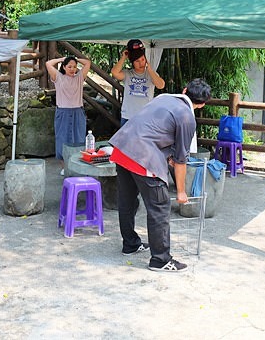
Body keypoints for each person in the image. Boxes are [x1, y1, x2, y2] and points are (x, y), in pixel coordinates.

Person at [109, 78, 212, 272]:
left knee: (127, 200)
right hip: (141, 156)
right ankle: (160, 259)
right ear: (203, 104)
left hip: (122, 148)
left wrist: (168, 156)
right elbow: (182, 161)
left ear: (184, 89)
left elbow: (154, 128)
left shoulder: (164, 97)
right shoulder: (187, 117)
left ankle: (130, 244)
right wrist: (181, 192)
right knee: (160, 206)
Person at [45, 55, 92, 173]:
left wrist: (75, 58)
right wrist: (61, 59)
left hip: (78, 112)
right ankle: (64, 167)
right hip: (63, 112)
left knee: (79, 138)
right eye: (69, 66)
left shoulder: (80, 77)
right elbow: (48, 64)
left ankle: (78, 167)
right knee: (62, 139)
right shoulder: (58, 77)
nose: (72, 69)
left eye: (75, 67)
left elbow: (87, 63)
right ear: (64, 67)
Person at [110, 39, 165, 125]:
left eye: (143, 59)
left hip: (146, 116)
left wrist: (150, 70)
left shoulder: (151, 74)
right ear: (132, 63)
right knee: (126, 139)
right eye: (137, 61)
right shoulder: (128, 74)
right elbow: (114, 72)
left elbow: (161, 85)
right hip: (128, 116)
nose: (141, 63)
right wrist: (124, 57)